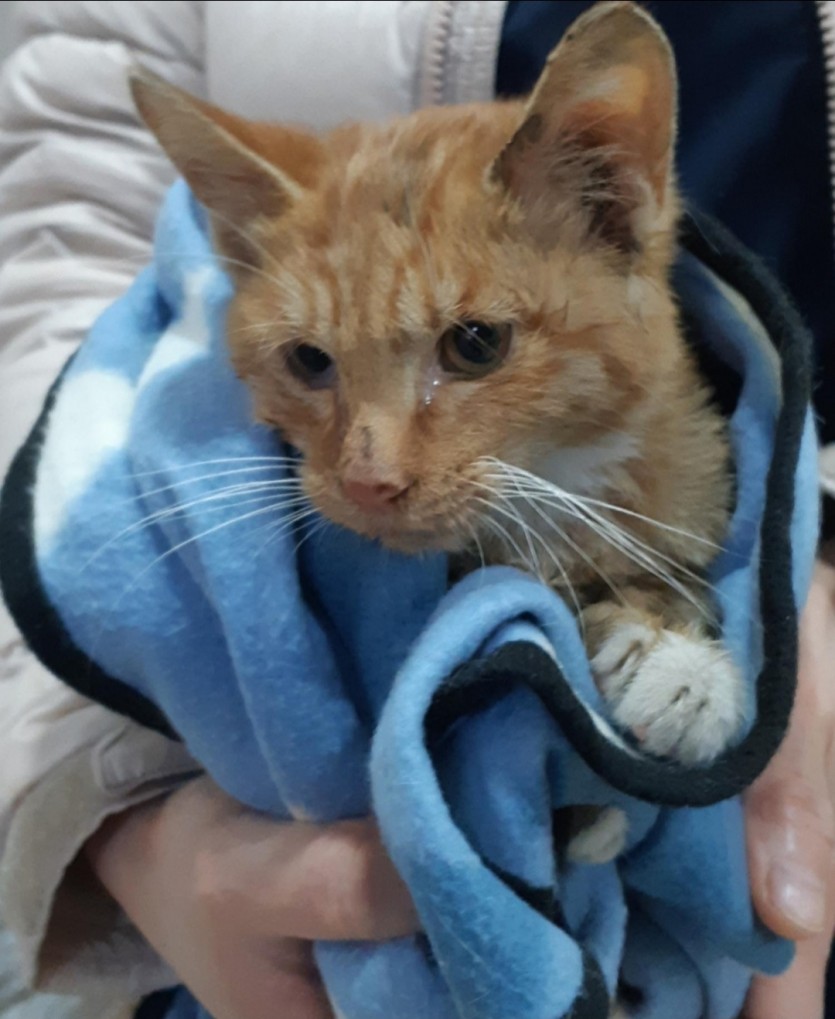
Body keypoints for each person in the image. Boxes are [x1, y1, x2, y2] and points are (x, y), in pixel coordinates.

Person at [0, 3, 832, 1018]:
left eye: (472, 345)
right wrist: (104, 814)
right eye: (312, 362)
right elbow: (64, 238)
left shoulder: (672, 476)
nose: (371, 469)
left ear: (614, 207)